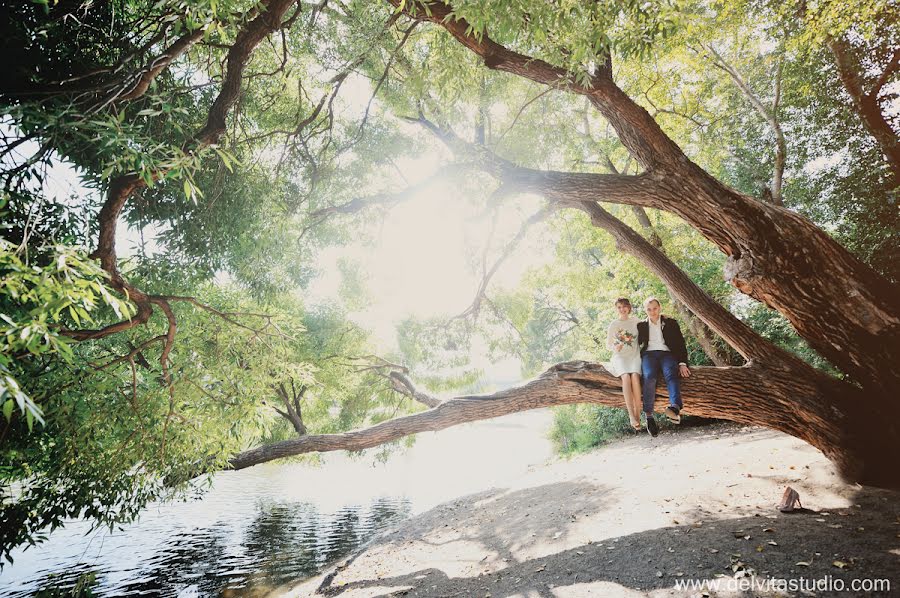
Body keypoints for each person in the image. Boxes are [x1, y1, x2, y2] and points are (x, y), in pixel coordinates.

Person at [637, 297, 691, 437]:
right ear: (645, 310)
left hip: (667, 354)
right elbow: (634, 345)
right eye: (649, 309)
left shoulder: (671, 323)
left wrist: (682, 363)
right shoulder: (641, 326)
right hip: (649, 355)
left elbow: (680, 344)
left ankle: (675, 407)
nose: (652, 312)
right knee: (649, 376)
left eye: (655, 308)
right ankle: (649, 416)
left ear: (659, 307)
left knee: (670, 373)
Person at [606, 297, 643, 432]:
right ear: (616, 309)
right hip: (620, 356)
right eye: (619, 307)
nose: (622, 309)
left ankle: (638, 415)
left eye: (624, 306)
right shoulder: (614, 324)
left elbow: (650, 323)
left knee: (634, 376)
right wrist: (616, 347)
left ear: (629, 307)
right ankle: (631, 415)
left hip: (634, 356)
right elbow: (608, 345)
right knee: (626, 377)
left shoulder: (636, 321)